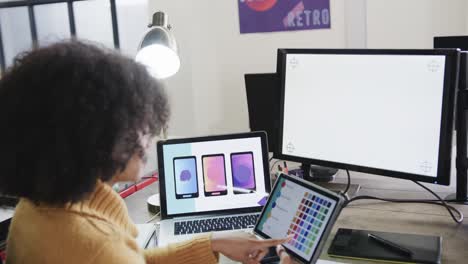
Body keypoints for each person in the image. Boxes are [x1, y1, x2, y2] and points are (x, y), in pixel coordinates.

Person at [0, 41, 292, 264]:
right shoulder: (95, 247)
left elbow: (133, 258)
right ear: (93, 134)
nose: (149, 134)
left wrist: (212, 242)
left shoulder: (37, 207)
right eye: (136, 122)